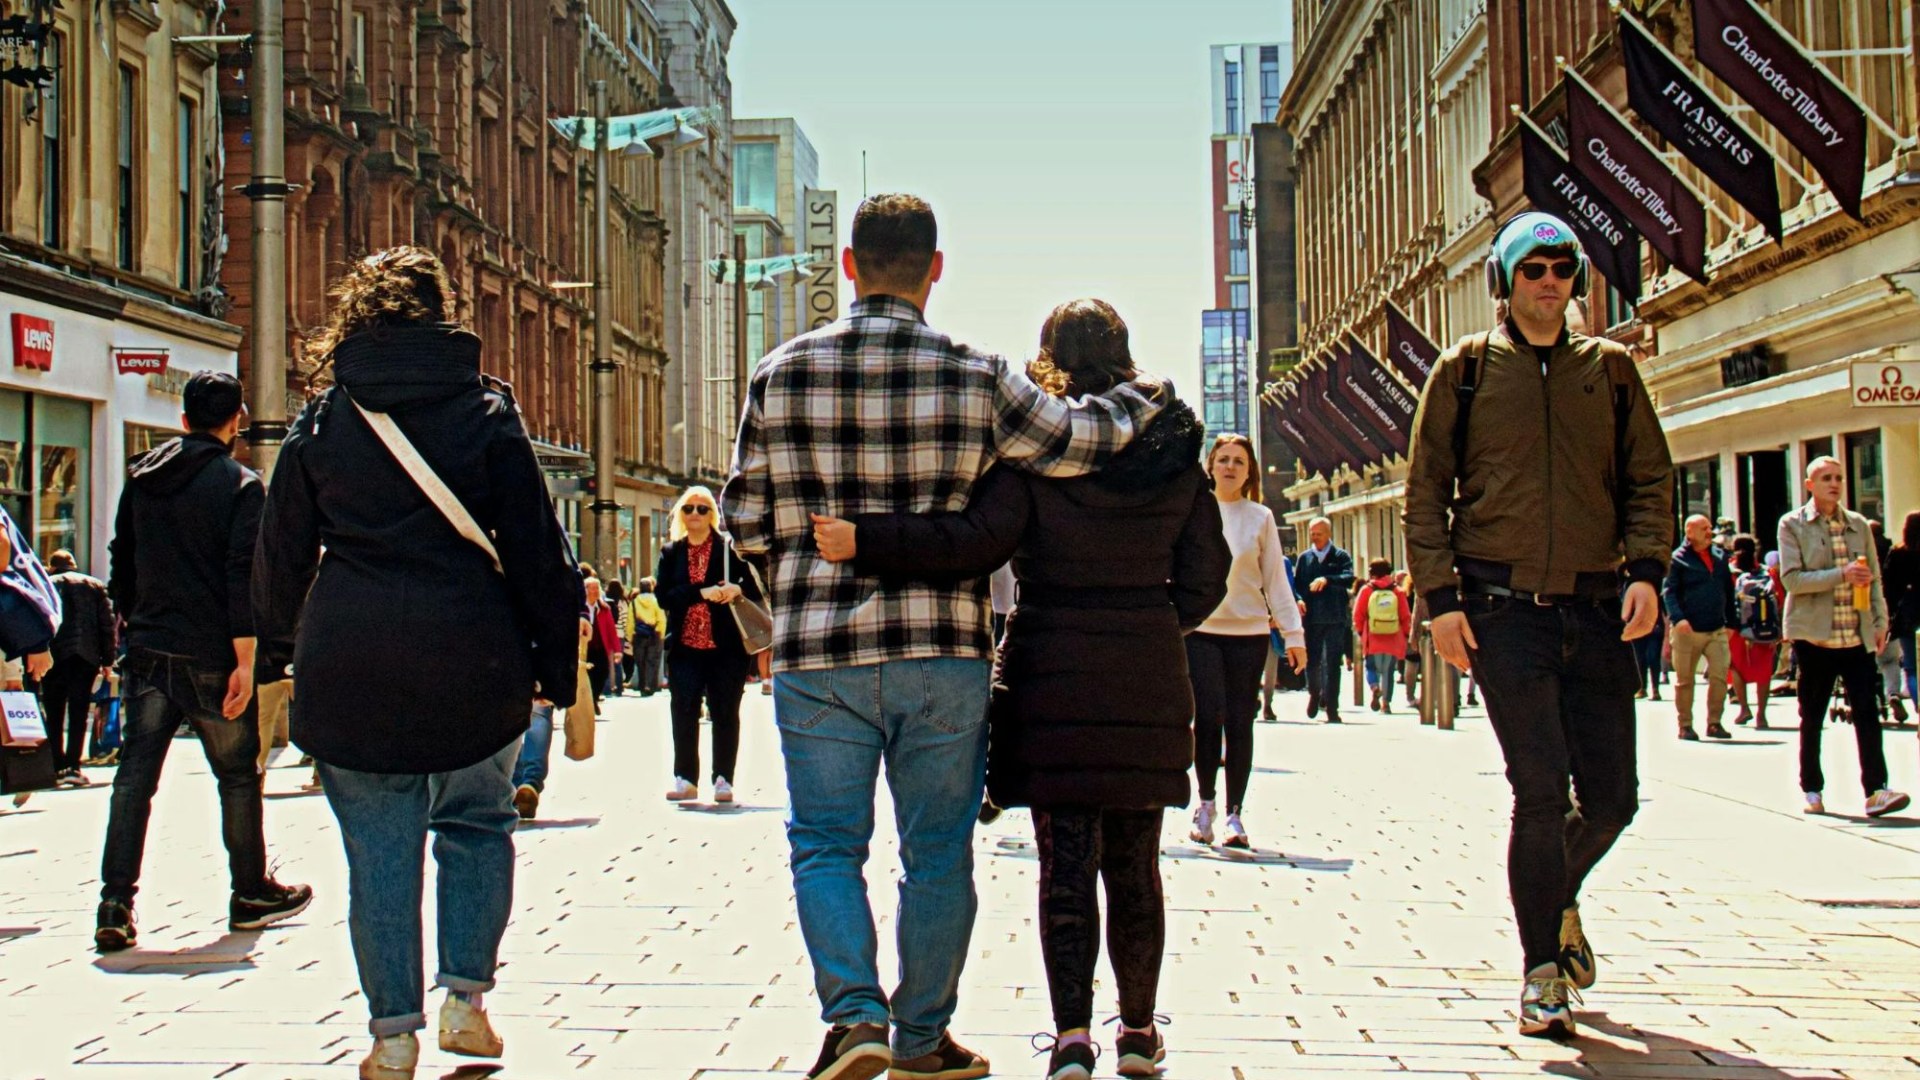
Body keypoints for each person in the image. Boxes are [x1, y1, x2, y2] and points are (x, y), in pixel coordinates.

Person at [721, 193, 1164, 1080]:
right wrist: (1146, 405)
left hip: (820, 658)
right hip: (942, 652)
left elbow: (744, 517)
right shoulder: (978, 372)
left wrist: (801, 586)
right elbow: (1078, 442)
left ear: (847, 266)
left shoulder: (781, 372)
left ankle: (854, 1018)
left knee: (824, 844)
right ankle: (922, 1034)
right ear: (935, 268)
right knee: (936, 852)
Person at [811, 298, 1230, 1079]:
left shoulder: (1037, 455)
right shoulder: (1176, 458)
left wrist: (867, 536)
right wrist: (1146, 619)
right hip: (1143, 673)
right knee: (1136, 864)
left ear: (1048, 359)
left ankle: (1072, 1039)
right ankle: (1138, 1032)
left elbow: (972, 542)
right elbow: (1208, 575)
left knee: (1064, 864)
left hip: (1049, 672)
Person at [252, 247, 583, 1080]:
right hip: (475, 655)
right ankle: (467, 1000)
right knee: (477, 825)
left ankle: (391, 1033)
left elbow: (280, 554)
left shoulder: (324, 419)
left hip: (350, 659)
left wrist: (276, 658)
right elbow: (541, 554)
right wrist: (558, 670)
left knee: (380, 854)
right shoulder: (488, 413)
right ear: (446, 313)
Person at [1404, 211, 1674, 1039]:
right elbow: (1425, 495)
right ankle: (1542, 974)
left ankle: (1556, 902)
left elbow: (1650, 480)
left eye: (1563, 267)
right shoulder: (1466, 372)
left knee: (1614, 798)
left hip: (1597, 612)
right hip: (1500, 613)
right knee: (1538, 788)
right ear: (1505, 281)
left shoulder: (1616, 372)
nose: (1550, 280)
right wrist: (1441, 602)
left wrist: (1649, 572)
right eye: (1534, 268)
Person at [98, 370, 313, 954]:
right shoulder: (241, 486)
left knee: (133, 782)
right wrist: (248, 661)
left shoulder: (142, 477)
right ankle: (248, 892)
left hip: (147, 650)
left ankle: (115, 903)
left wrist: (132, 620)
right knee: (238, 776)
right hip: (212, 655)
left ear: (185, 419)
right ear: (236, 421)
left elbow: (123, 560)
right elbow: (241, 574)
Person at [1186, 434, 1307, 850]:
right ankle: (1205, 804)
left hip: (1249, 634)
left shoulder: (1261, 517)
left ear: (1249, 470)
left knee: (1241, 721)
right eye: (1223, 460)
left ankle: (1235, 814)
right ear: (1211, 466)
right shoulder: (1194, 513)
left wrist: (1293, 636)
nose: (1231, 467)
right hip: (1201, 631)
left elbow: (1276, 580)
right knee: (1208, 716)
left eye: (1239, 461)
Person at [1777, 457, 1910, 820]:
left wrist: (1881, 622)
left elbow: (1874, 578)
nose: (1834, 484)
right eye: (1825, 478)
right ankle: (1812, 787)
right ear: (1809, 484)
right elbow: (1792, 580)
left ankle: (1877, 790)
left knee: (1868, 711)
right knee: (1812, 714)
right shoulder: (1793, 524)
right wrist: (1842, 574)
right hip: (1814, 637)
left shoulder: (1857, 524)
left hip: (1855, 633)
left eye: (1838, 478)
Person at [655, 485, 761, 804]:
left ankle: (723, 779)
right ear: (681, 515)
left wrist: (735, 591)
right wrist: (700, 592)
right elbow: (664, 598)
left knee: (725, 711)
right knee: (683, 709)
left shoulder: (729, 550)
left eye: (703, 509)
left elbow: (755, 588)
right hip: (686, 647)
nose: (696, 514)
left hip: (726, 647)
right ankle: (685, 778)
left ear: (712, 515)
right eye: (689, 508)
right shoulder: (671, 553)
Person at [41, 549, 113, 787]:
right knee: (79, 712)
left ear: (52, 566)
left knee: (54, 713)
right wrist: (107, 661)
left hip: (53, 655)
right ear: (73, 565)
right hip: (86, 656)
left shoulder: (45, 583)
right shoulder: (94, 585)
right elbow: (106, 625)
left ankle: (56, 765)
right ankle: (74, 766)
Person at [1663, 515, 1737, 741]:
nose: (1709, 532)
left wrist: (1732, 622)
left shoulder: (1719, 556)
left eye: (1709, 527)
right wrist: (1678, 618)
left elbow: (1728, 590)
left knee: (1719, 676)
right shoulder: (1677, 559)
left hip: (1716, 629)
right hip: (1687, 631)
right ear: (1689, 532)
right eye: (1703, 528)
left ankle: (1714, 723)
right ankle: (1685, 725)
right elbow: (1669, 592)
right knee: (1685, 681)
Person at [1293, 517, 1355, 723]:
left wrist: (1327, 580)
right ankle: (1314, 693)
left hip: (1335, 617)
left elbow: (1349, 577)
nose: (1315, 537)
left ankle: (1332, 707)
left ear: (1328, 534)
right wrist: (1299, 600)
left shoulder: (1340, 556)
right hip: (1312, 618)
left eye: (1319, 533)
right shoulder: (1305, 558)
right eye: (1312, 533)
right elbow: (1297, 585)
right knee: (1313, 661)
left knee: (1332, 663)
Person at [1727, 536, 1784, 729]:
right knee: (1764, 671)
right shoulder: (1768, 573)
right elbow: (1780, 600)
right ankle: (1761, 714)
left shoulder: (1730, 572)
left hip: (1737, 630)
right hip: (1764, 628)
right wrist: (1779, 630)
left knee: (1735, 667)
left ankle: (1744, 708)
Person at [1352, 559, 1411, 714]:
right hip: (1393, 637)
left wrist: (1360, 631)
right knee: (1388, 671)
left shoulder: (1366, 590)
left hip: (1373, 637)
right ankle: (1386, 703)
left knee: (1371, 667)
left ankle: (1374, 686)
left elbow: (1358, 614)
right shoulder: (1397, 591)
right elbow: (1405, 615)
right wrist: (1406, 634)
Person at [1882, 512, 1920, 718]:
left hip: (1907, 613)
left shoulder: (1897, 552)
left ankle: (1919, 706)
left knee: (1911, 666)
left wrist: (1887, 613)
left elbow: (1887, 585)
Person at [626, 578, 667, 696]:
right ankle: (650, 685)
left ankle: (643, 684)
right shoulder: (655, 601)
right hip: (654, 634)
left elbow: (630, 620)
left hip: (638, 635)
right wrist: (660, 633)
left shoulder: (634, 602)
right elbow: (661, 618)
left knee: (641, 662)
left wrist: (630, 636)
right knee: (652, 661)